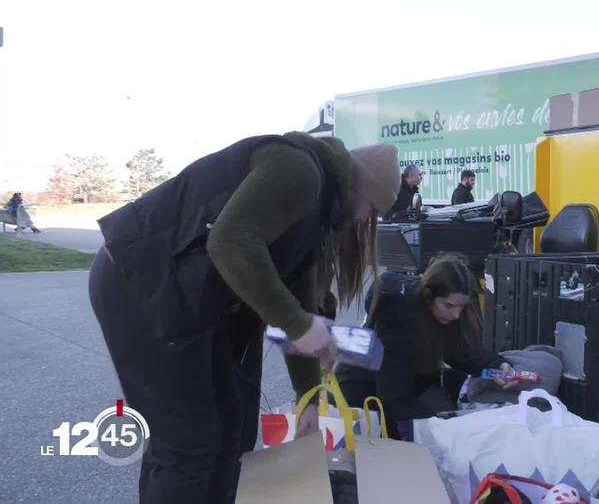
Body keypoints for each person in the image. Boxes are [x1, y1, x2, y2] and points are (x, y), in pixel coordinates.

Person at [88, 131, 400, 503]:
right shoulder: (300, 171)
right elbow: (230, 241)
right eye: (373, 211)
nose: (366, 221)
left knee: (232, 428)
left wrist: (309, 399)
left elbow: (301, 305)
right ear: (360, 188)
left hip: (189, 297)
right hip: (140, 284)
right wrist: (298, 324)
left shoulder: (316, 216)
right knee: (190, 445)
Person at [336, 253, 516, 438]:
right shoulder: (399, 322)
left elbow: (459, 353)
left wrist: (495, 364)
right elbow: (392, 399)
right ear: (429, 297)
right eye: (449, 306)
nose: (456, 315)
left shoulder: (438, 313)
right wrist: (445, 425)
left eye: (461, 307)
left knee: (451, 393)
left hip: (401, 384)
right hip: (360, 396)